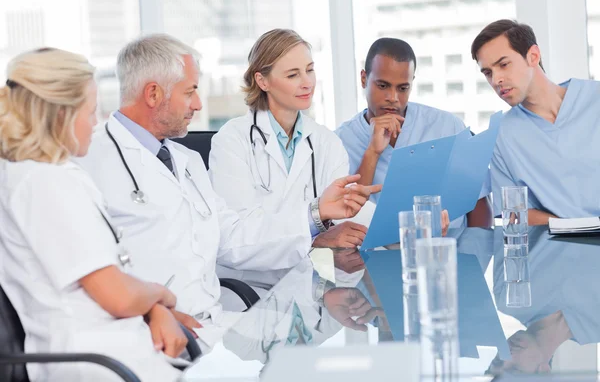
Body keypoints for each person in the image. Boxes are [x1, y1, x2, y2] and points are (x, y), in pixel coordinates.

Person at [76, 34, 377, 349]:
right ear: (153, 94)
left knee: (320, 349)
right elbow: (93, 274)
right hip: (153, 332)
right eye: (190, 91)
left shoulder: (187, 162)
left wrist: (314, 215)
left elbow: (233, 238)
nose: (199, 104)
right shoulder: (90, 163)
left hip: (209, 321)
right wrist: (152, 312)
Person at [0, 48, 184, 381]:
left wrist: (154, 308)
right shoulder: (44, 182)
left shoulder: (39, 174)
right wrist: (162, 296)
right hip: (98, 363)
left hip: (114, 348)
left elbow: (109, 279)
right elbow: (118, 297)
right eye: (91, 112)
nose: (95, 123)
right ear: (61, 116)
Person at [208, 29, 374, 290]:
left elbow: (344, 223)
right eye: (293, 75)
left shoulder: (326, 142)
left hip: (313, 289)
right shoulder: (232, 141)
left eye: (309, 70)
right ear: (262, 81)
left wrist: (411, 220)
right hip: (250, 293)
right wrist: (316, 231)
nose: (307, 82)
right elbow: (234, 241)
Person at [335, 38, 493, 236]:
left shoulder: (448, 127)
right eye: (383, 86)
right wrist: (373, 152)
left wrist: (474, 252)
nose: (393, 98)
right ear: (364, 79)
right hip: (376, 256)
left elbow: (479, 203)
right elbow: (347, 215)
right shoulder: (340, 141)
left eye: (402, 88)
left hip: (450, 248)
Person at [471, 19, 600, 225]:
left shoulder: (595, 99)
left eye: (503, 65)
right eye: (488, 73)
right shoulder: (502, 135)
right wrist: (579, 227)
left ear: (533, 56)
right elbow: (513, 214)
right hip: (554, 248)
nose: (496, 80)